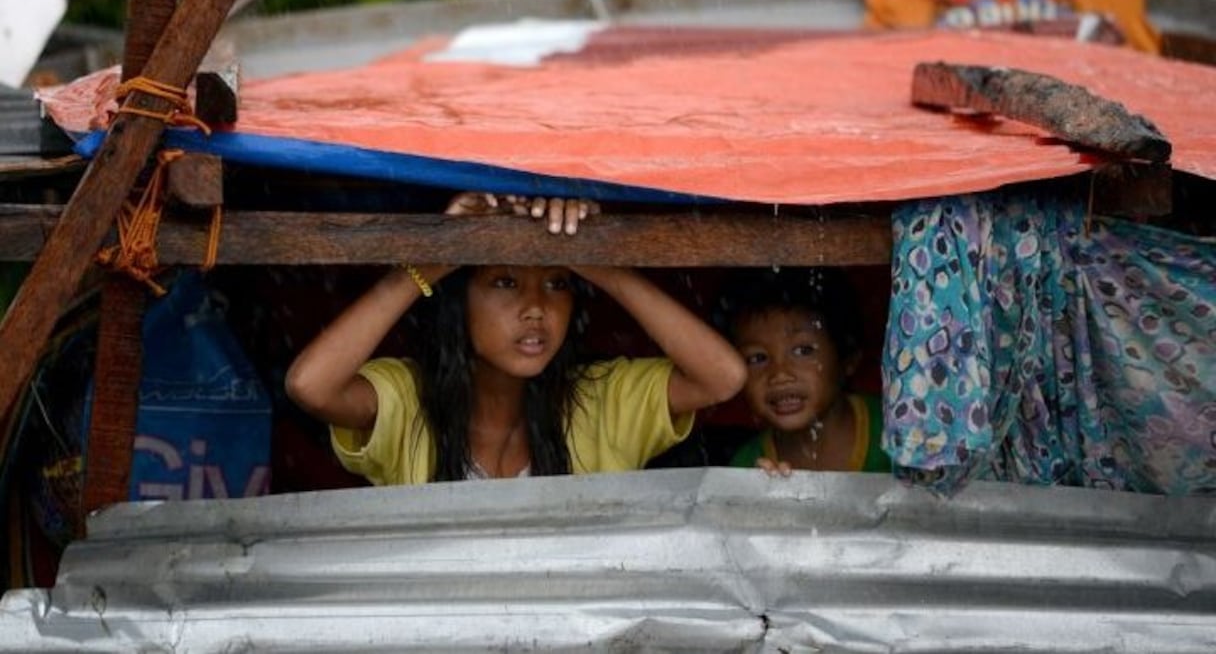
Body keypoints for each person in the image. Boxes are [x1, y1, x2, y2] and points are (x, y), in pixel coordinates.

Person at [285, 192, 746, 484]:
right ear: (457, 300)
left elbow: (722, 377)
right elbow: (310, 385)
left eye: (557, 283)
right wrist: (431, 261)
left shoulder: (603, 398)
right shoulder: (408, 398)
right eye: (505, 282)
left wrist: (595, 256)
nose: (535, 308)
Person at [723, 268, 890, 476]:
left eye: (803, 351)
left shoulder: (896, 430)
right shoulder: (748, 466)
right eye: (758, 358)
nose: (779, 375)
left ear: (848, 359)